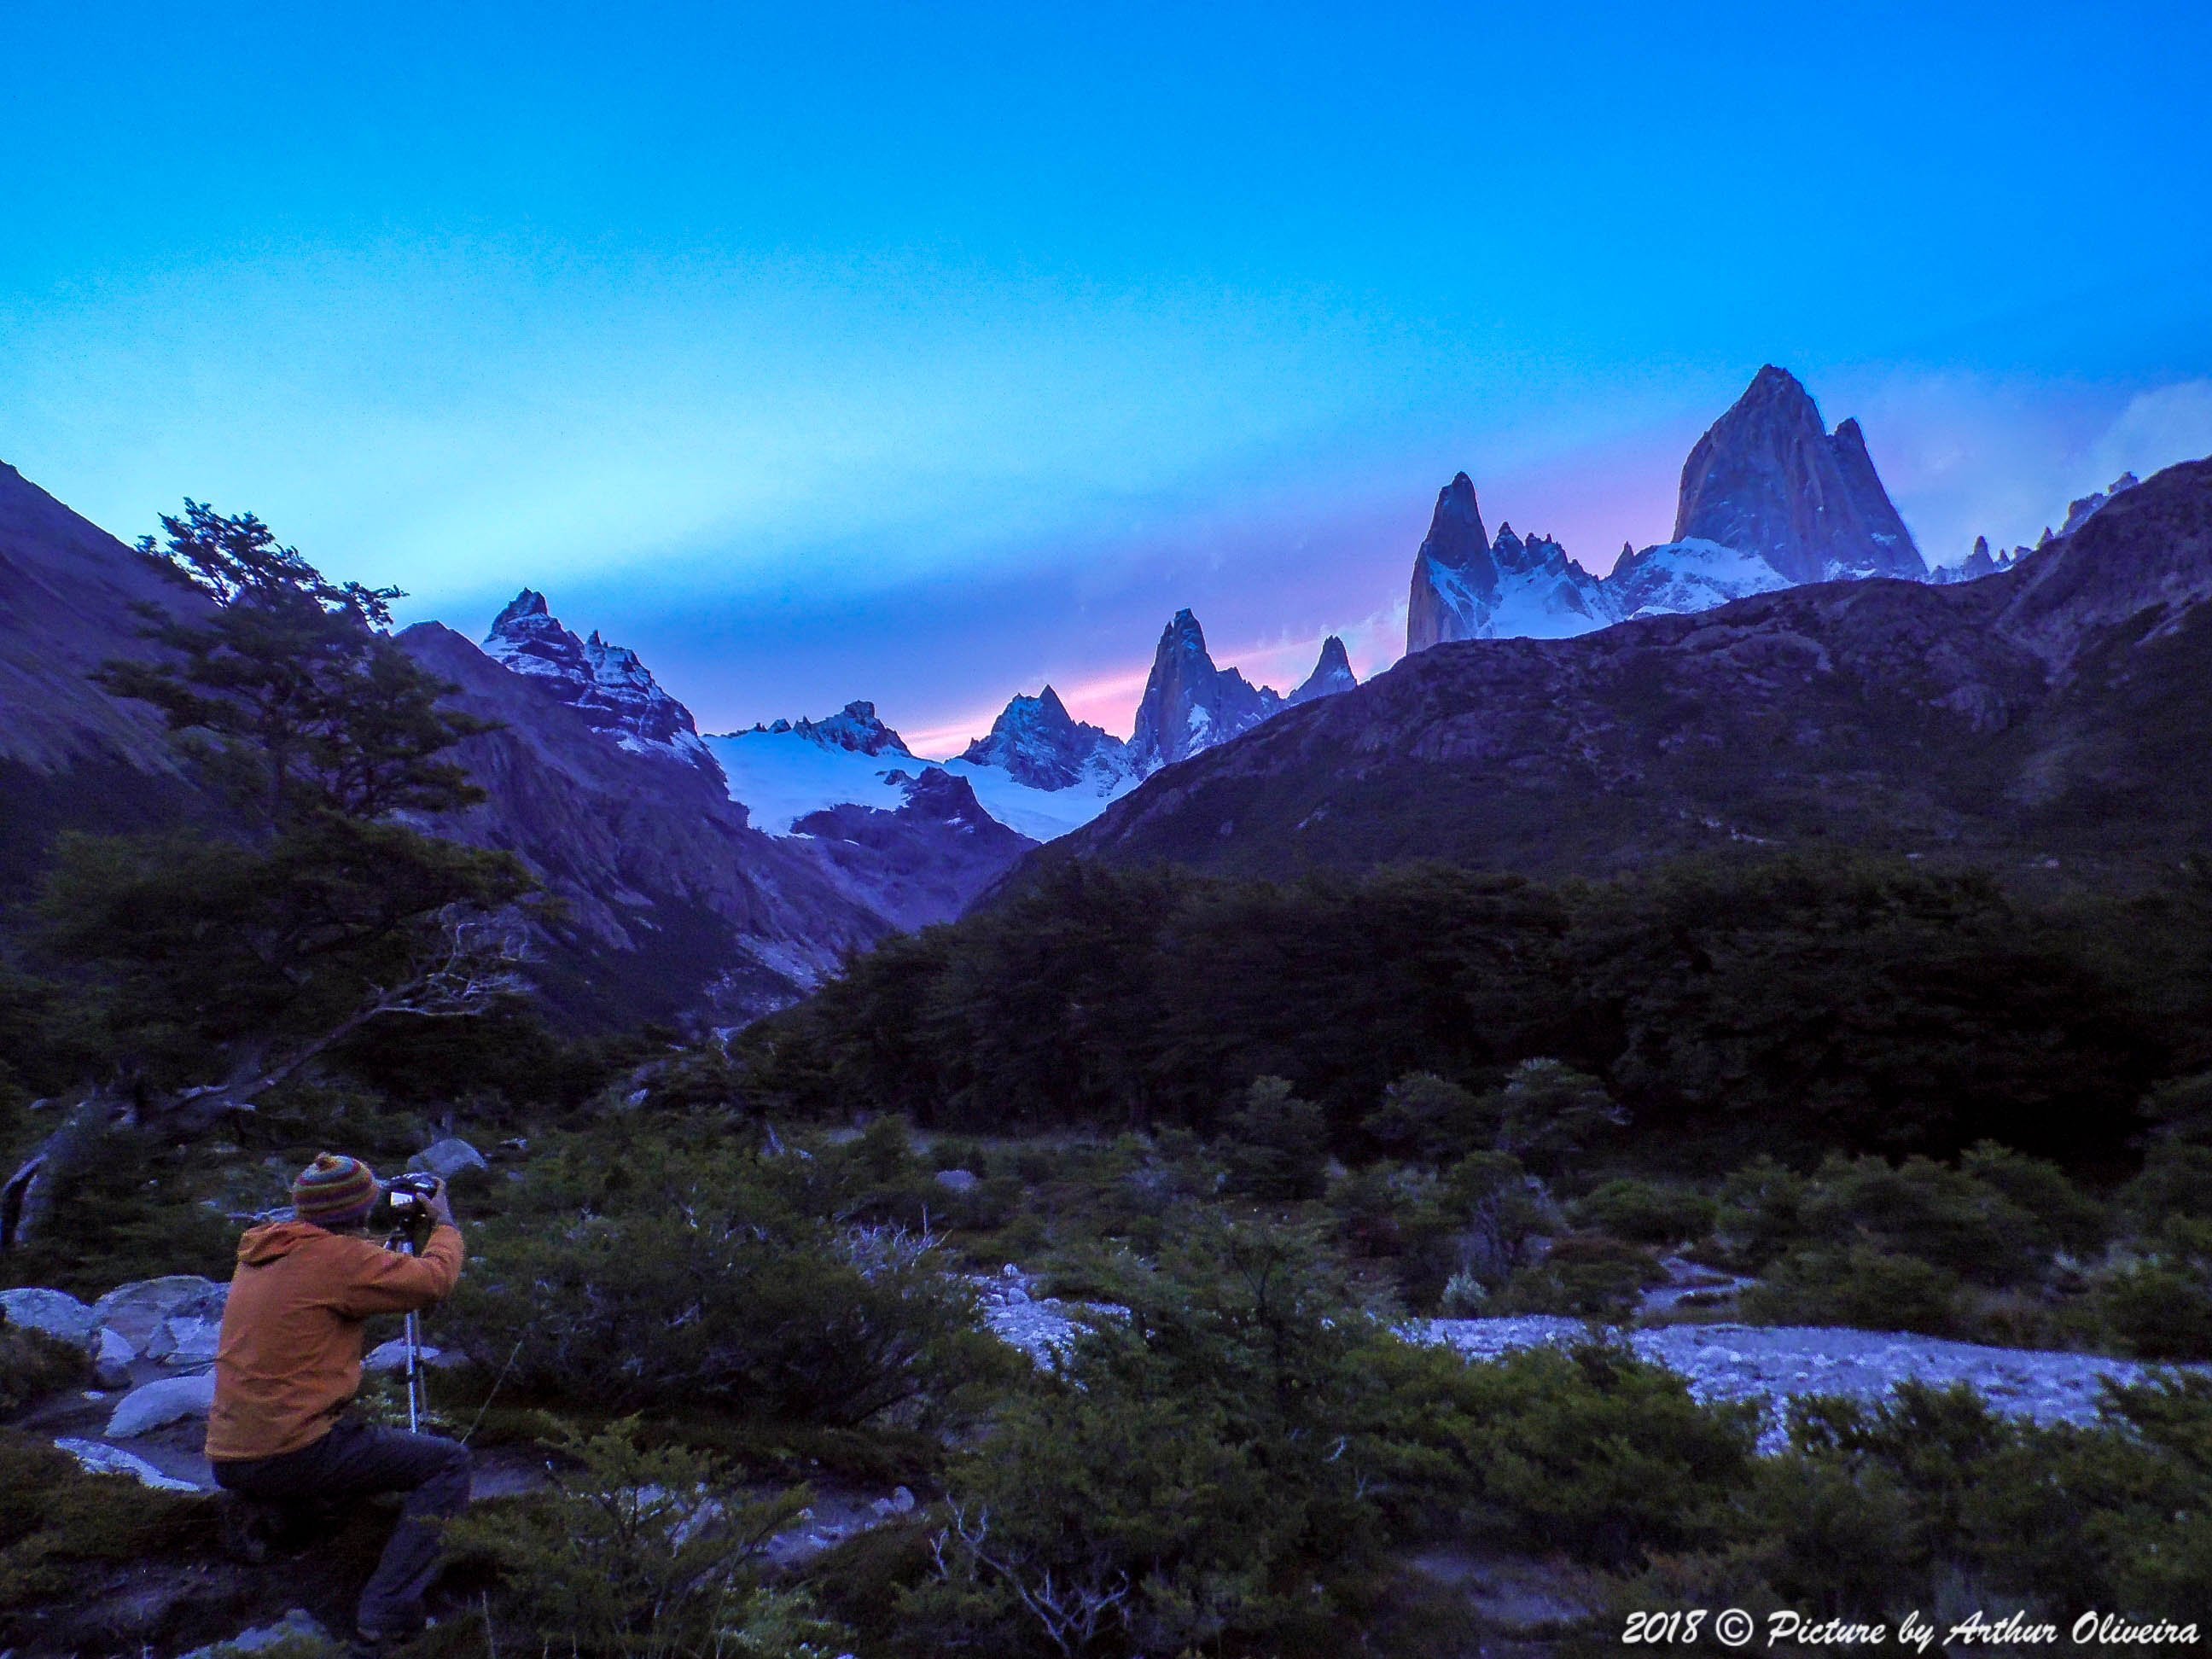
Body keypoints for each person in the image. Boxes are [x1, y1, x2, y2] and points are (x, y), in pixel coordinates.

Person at [204, 1153, 469, 1650]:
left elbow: (338, 1265)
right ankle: (388, 1611)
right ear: (365, 1206)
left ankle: (282, 1532)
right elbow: (434, 1282)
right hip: (293, 1451)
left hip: (230, 1452)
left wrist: (379, 1250)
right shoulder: (341, 1262)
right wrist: (445, 1224)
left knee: (350, 1440)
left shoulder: (268, 1251)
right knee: (448, 1464)